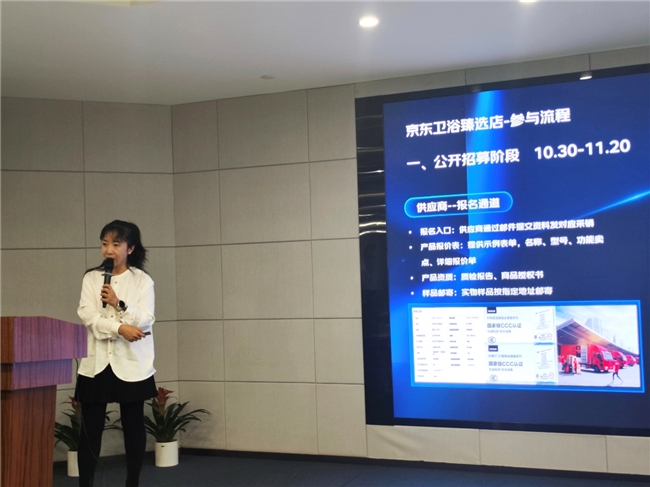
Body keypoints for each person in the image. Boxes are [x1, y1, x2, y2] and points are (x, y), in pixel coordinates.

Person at [75, 220, 156, 487]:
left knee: (133, 426)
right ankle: (85, 483)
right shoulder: (91, 278)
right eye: (104, 243)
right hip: (96, 363)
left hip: (131, 365)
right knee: (90, 430)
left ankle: (132, 482)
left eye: (116, 244)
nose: (108, 250)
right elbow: (88, 316)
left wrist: (118, 303)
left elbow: (146, 319)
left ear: (130, 248)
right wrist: (121, 328)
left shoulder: (142, 280)